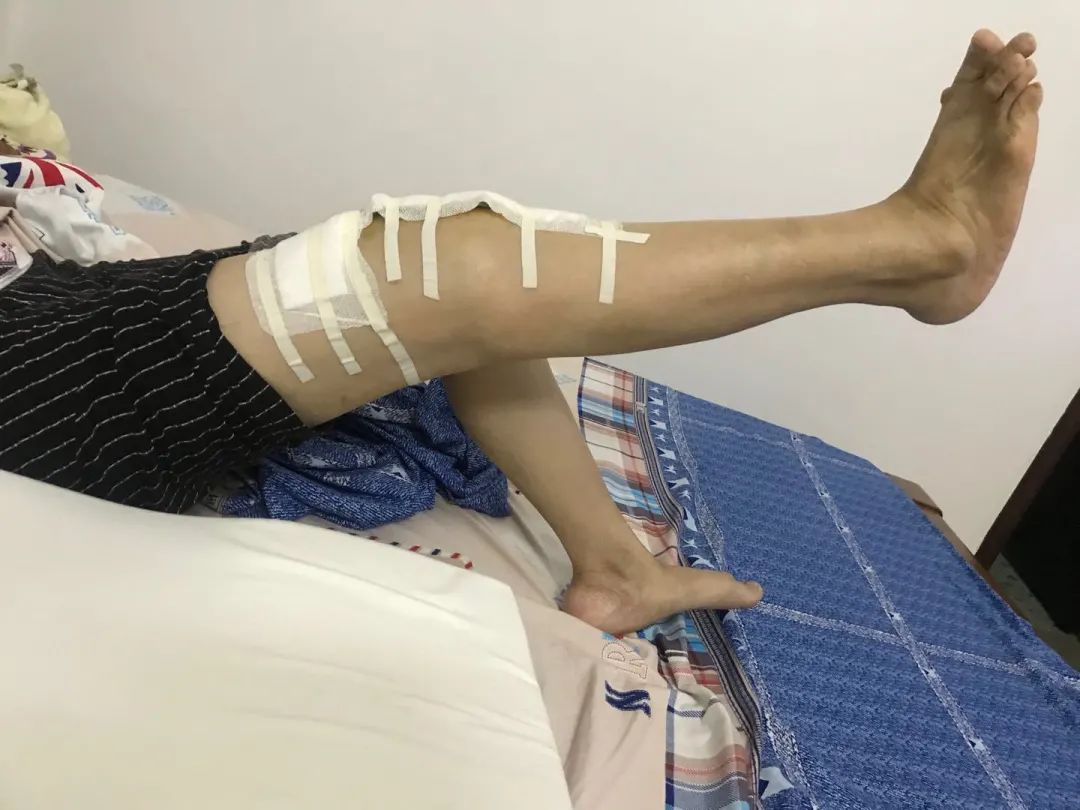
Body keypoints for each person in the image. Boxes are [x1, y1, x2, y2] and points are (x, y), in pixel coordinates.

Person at [0, 30, 1042, 633]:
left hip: (39, 302)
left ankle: (618, 572)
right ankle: (915, 248)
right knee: (429, 268)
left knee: (423, 284)